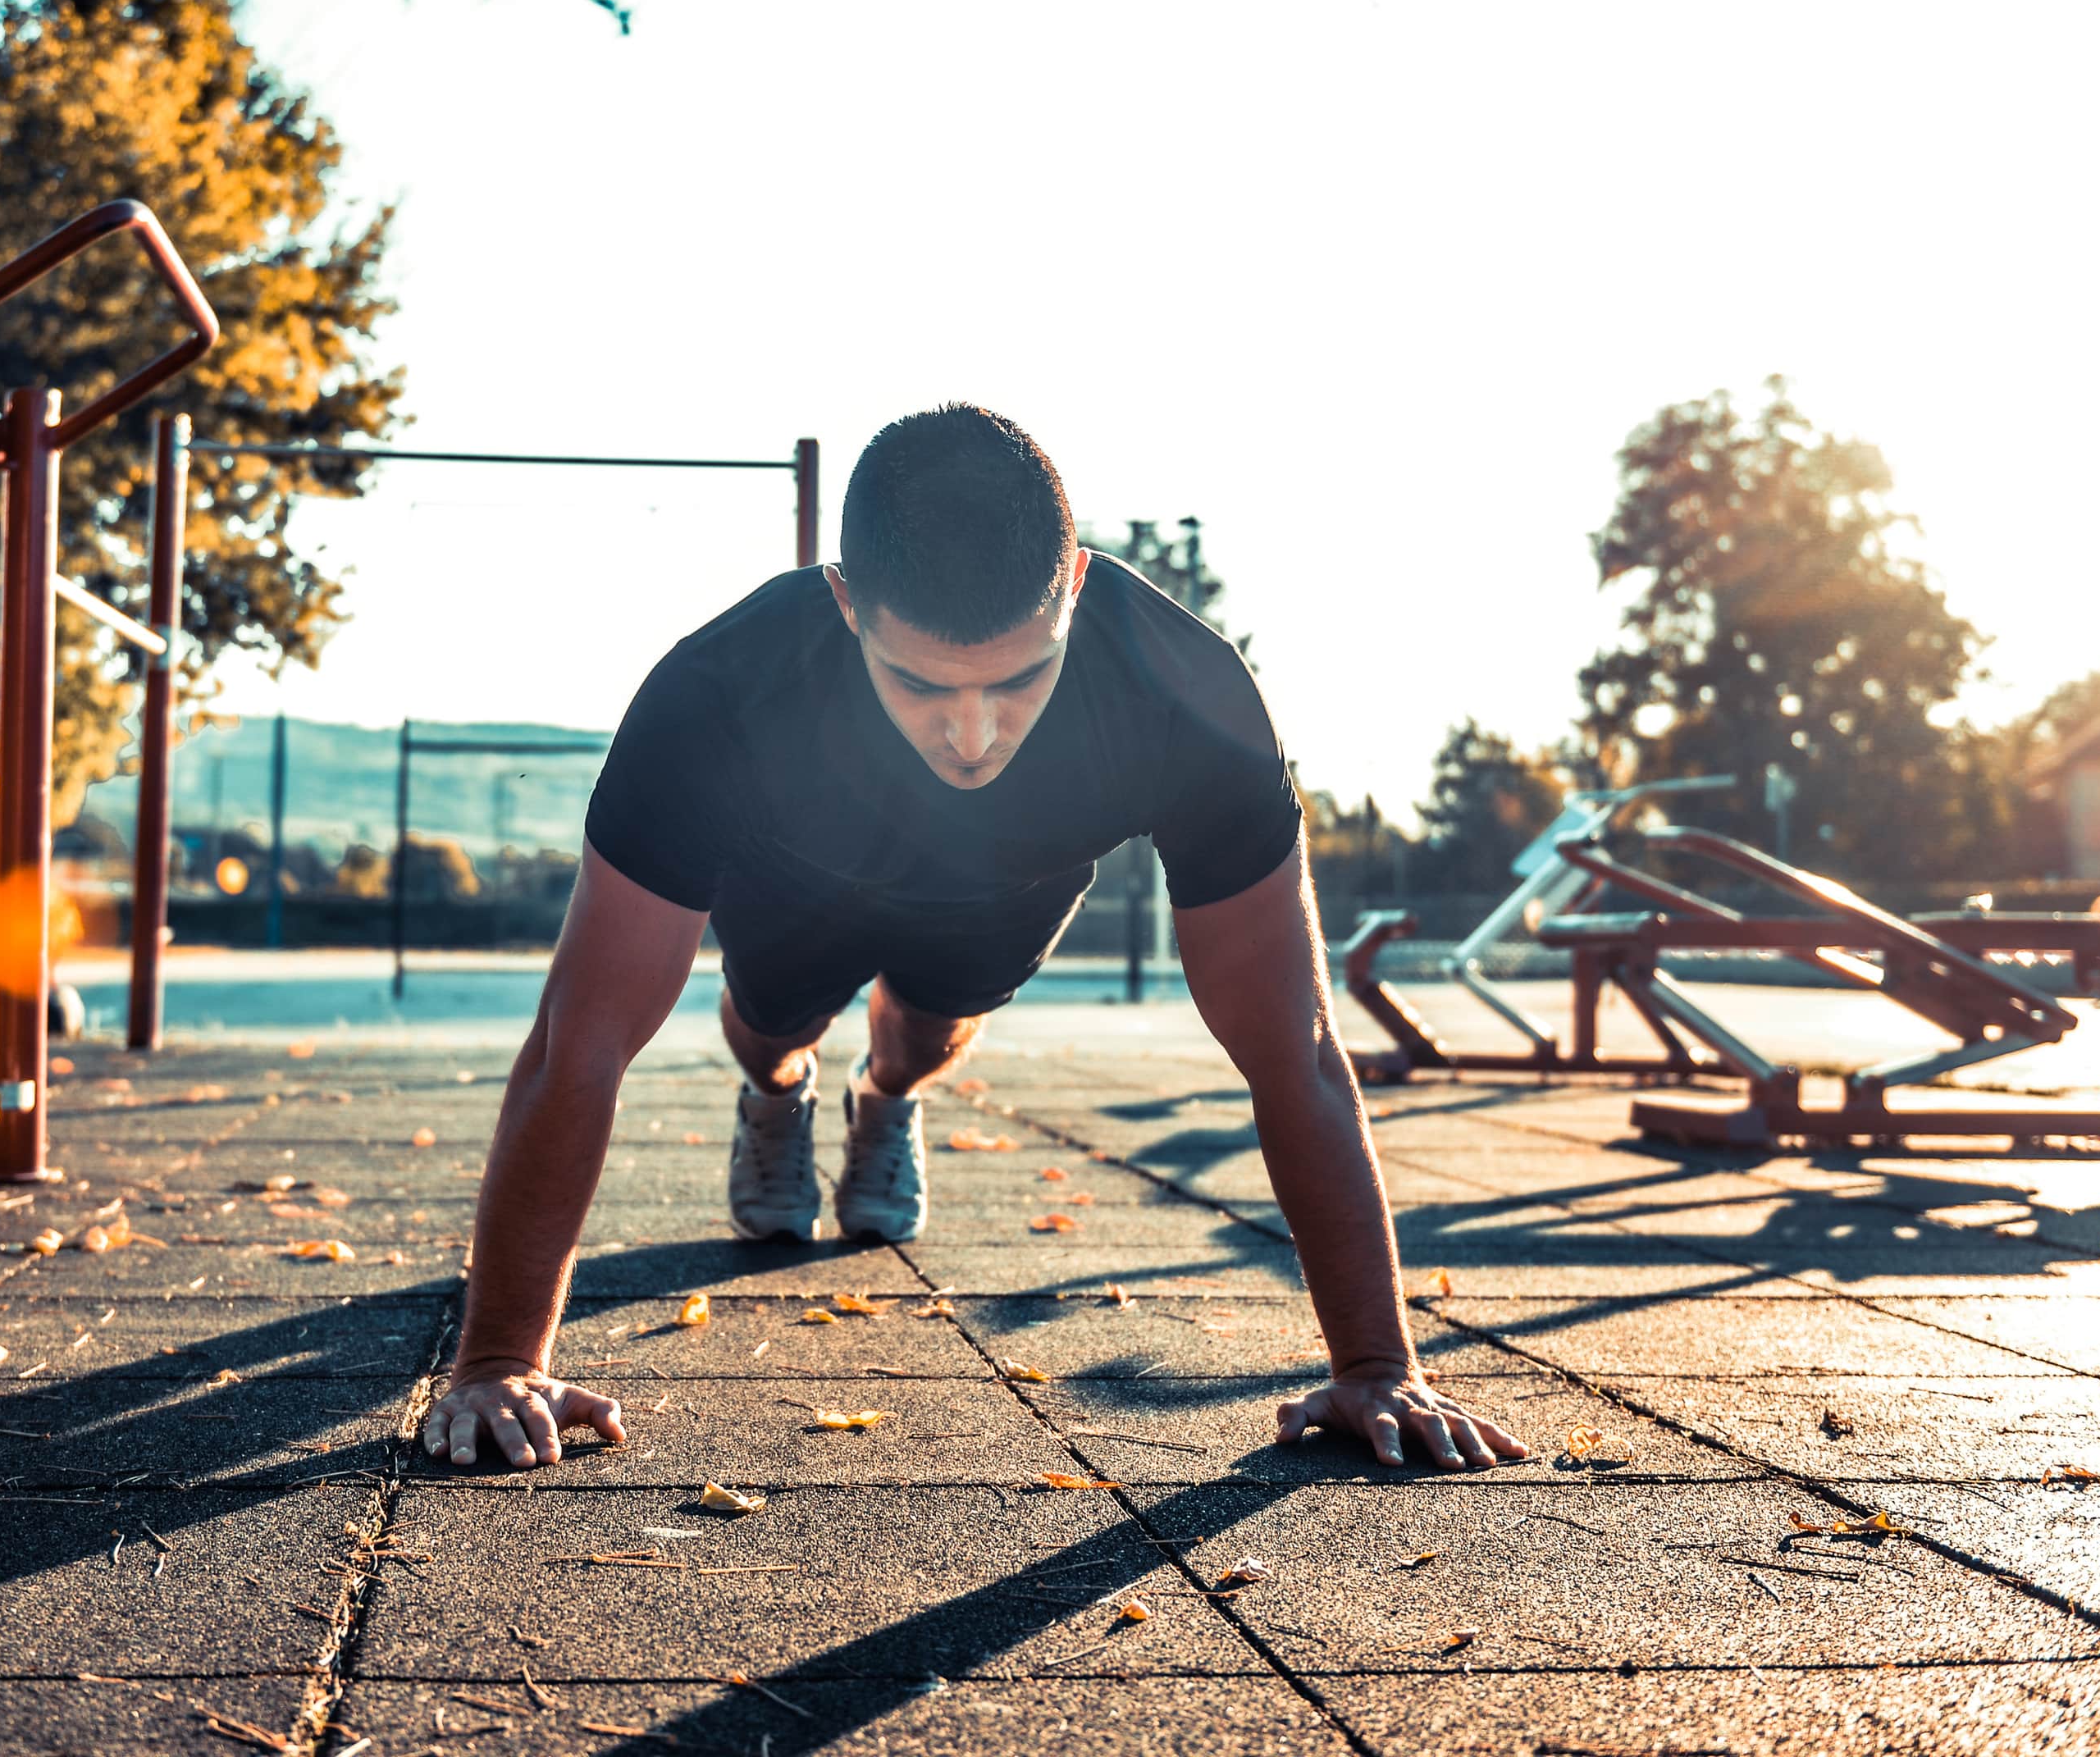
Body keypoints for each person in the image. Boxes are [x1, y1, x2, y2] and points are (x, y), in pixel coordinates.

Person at [422, 405, 1527, 1478]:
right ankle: (782, 1097)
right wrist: (499, 1360)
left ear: (1077, 586)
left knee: (920, 1042)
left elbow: (1297, 1045)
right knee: (770, 1031)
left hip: (1003, 884)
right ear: (848, 604)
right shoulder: (717, 694)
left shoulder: (1189, 694)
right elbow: (580, 1040)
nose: (972, 733)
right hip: (793, 880)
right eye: (918, 684)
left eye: (1020, 677)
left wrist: (1380, 1365)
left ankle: (884, 1104)